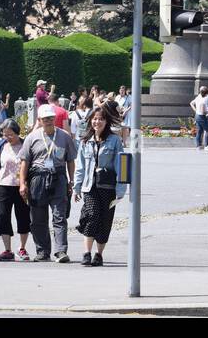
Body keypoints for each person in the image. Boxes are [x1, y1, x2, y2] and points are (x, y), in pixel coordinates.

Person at [18, 104, 78, 263]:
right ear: (40, 120)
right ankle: (43, 251)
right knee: (38, 218)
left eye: (51, 118)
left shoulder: (64, 136)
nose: (49, 121)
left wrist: (71, 180)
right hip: (37, 178)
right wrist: (22, 183)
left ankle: (61, 251)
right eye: (45, 119)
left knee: (60, 216)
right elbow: (24, 162)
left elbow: (71, 160)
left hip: (58, 177)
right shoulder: (32, 137)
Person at [73, 102, 127, 266]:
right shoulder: (85, 141)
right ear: (90, 121)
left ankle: (99, 254)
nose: (97, 122)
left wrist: (121, 189)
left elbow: (122, 165)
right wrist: (76, 187)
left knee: (105, 220)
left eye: (101, 119)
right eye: (95, 119)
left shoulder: (114, 140)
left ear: (106, 121)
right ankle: (86, 253)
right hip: (90, 186)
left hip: (108, 186)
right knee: (92, 215)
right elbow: (80, 166)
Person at [0, 119, 31, 261]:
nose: (8, 137)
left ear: (17, 132)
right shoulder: (0, 145)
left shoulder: (26, 145)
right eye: (5, 134)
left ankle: (22, 248)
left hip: (21, 186)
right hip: (3, 186)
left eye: (11, 134)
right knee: (3, 216)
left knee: (23, 216)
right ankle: (7, 250)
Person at [191, 88, 208, 152]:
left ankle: (198, 146)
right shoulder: (204, 100)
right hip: (202, 116)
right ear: (206, 93)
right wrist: (207, 111)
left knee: (199, 131)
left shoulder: (198, 97)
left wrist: (196, 110)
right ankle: (206, 145)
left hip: (197, 116)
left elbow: (191, 103)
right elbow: (203, 110)